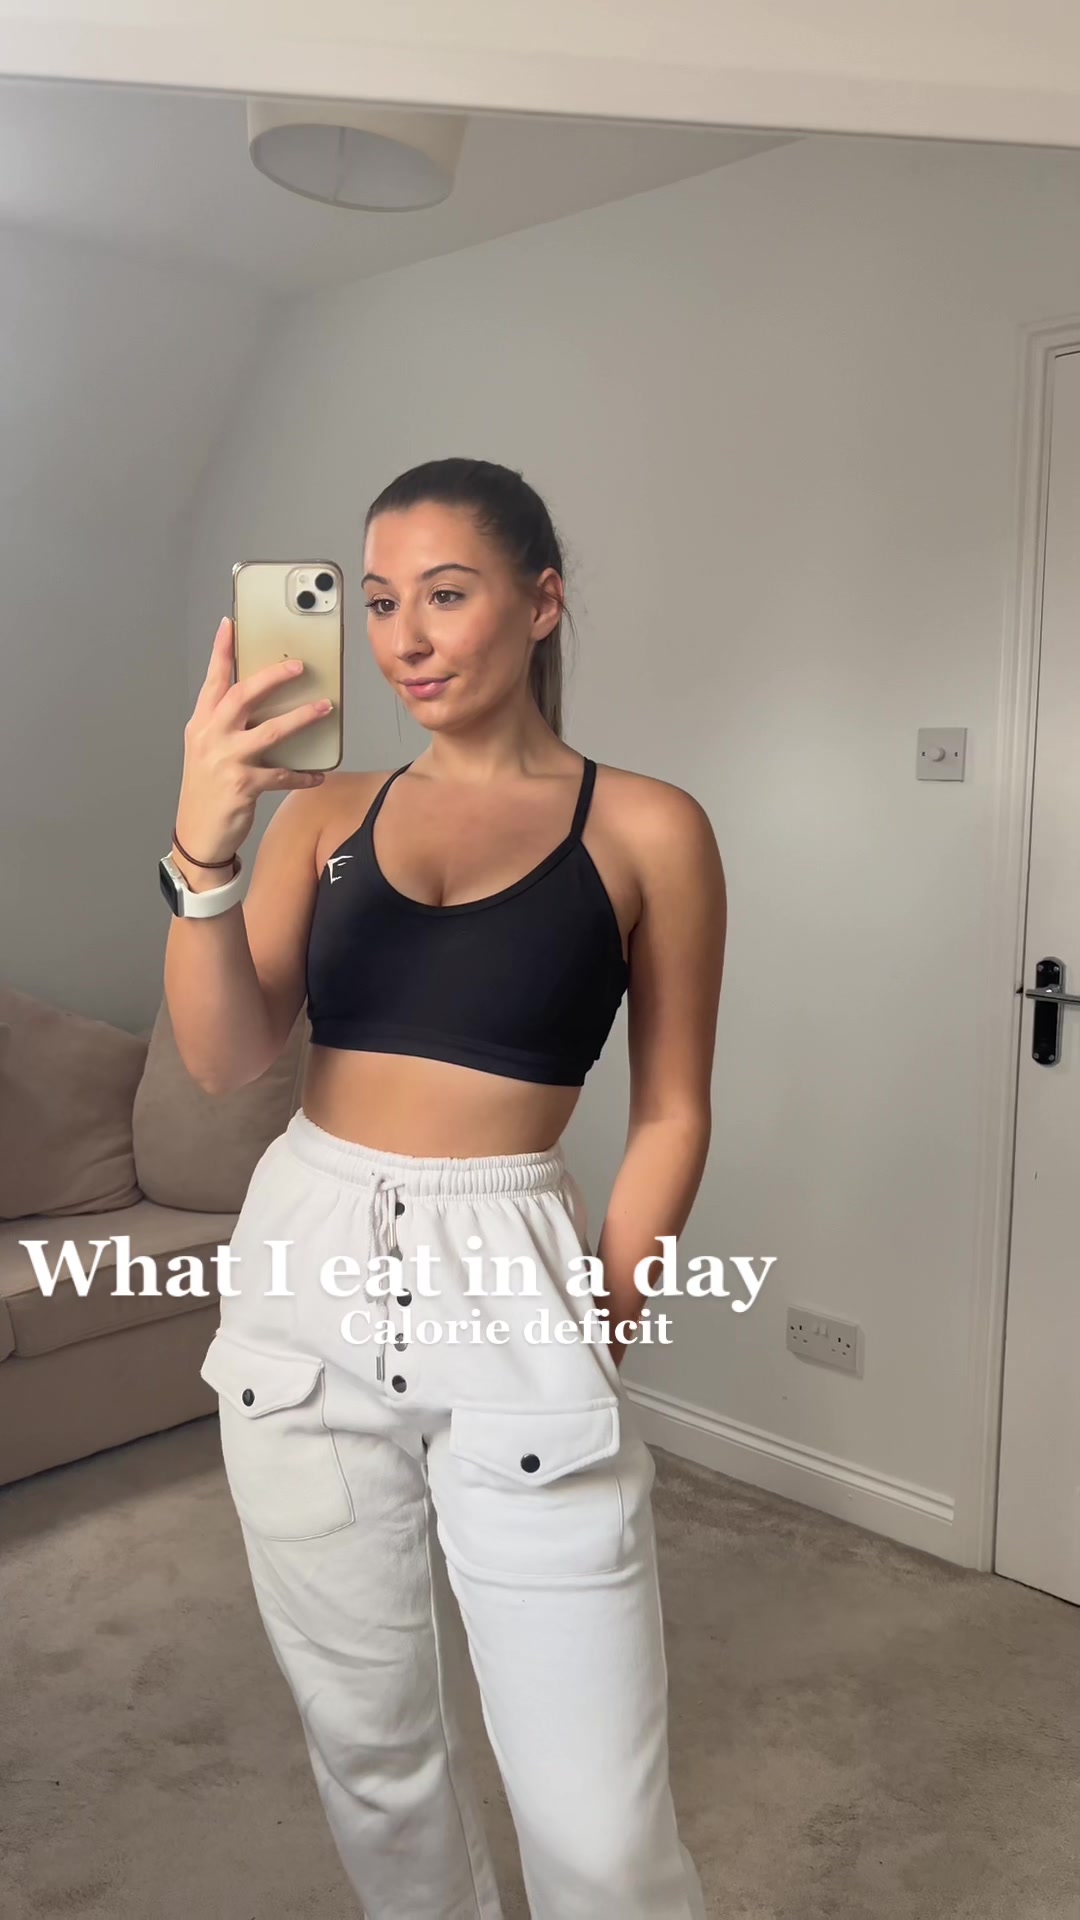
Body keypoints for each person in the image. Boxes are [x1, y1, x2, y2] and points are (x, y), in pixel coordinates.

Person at [164, 457, 727, 1919]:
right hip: (306, 1268)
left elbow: (672, 1106)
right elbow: (225, 1058)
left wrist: (607, 1314)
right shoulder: (324, 812)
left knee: (602, 1834)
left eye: (447, 594)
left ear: (540, 603)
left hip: (513, 1265)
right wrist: (204, 846)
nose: (403, 639)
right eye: (376, 602)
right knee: (375, 1759)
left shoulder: (649, 826)